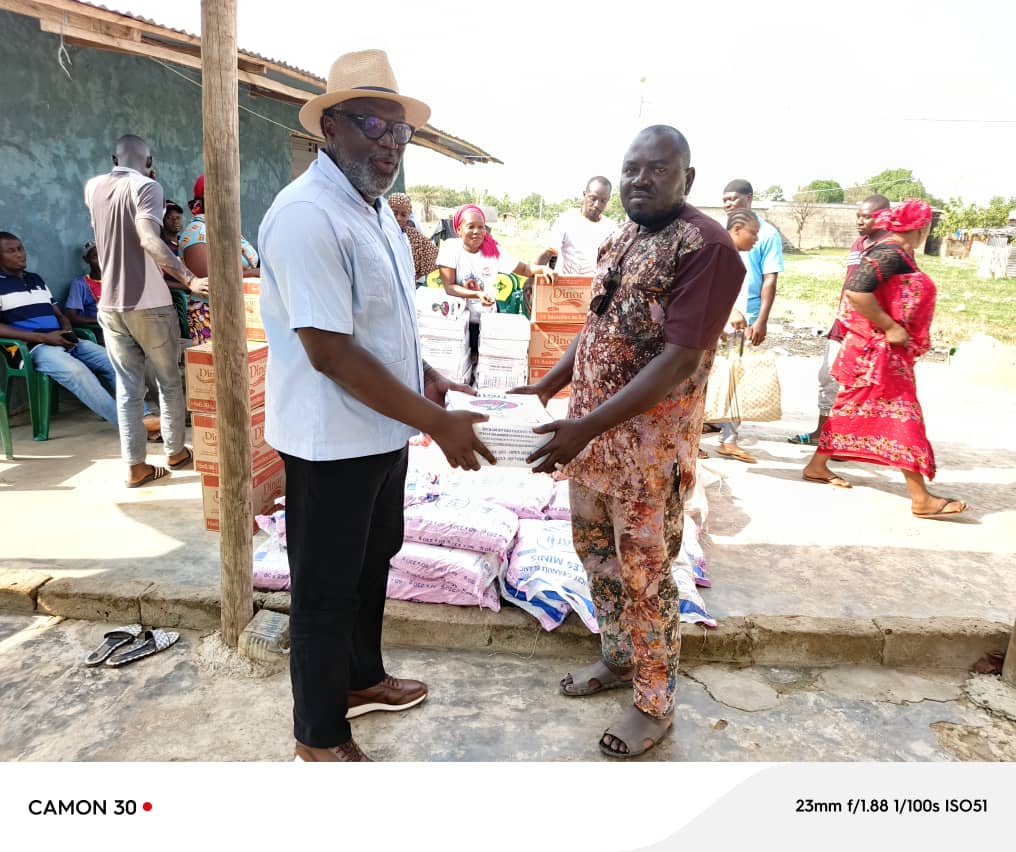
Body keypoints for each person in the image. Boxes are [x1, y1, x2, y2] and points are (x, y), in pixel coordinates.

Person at [258, 49, 495, 762]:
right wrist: (438, 425)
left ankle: (360, 680)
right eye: (371, 125)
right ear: (330, 126)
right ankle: (319, 736)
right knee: (325, 591)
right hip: (329, 442)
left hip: (382, 433)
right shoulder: (306, 216)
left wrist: (427, 378)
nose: (389, 145)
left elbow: (381, 323)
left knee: (371, 565)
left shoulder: (376, 212)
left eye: (400, 132)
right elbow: (330, 352)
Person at [512, 125, 744, 758]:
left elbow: (677, 361)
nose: (639, 180)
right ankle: (617, 659)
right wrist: (546, 387)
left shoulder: (707, 248)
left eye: (657, 169)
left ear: (687, 178)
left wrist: (582, 425)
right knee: (596, 558)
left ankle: (654, 703)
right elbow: (595, 328)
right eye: (631, 168)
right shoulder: (622, 234)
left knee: (645, 577)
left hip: (646, 454)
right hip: (590, 446)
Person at [802, 199, 966, 520]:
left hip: (873, 355)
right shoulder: (889, 253)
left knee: (850, 409)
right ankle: (921, 498)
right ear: (922, 229)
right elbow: (856, 290)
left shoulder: (896, 252)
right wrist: (890, 326)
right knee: (904, 416)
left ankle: (817, 466)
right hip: (876, 356)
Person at [85, 134, 207, 487]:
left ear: (113, 157)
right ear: (150, 161)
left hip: (109, 305)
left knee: (128, 390)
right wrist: (188, 278)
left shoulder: (93, 187)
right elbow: (148, 238)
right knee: (169, 383)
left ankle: (135, 466)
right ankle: (175, 452)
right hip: (150, 303)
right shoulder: (147, 187)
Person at [788, 195, 890, 445]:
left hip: (868, 329)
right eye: (858, 215)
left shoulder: (890, 248)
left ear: (883, 216)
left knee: (856, 385)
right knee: (828, 376)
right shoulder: (859, 244)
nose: (860, 221)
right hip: (843, 322)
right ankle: (823, 433)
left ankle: (845, 439)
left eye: (867, 216)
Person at [0, 231, 117, 426]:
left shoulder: (35, 279)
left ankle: (145, 415)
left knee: (115, 363)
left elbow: (58, 312)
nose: (19, 254)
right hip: (33, 348)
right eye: (11, 251)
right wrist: (44, 338)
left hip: (63, 339)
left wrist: (66, 327)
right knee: (77, 372)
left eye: (20, 249)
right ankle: (131, 425)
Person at [437, 204, 555, 354]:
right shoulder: (450, 249)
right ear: (459, 229)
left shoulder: (493, 250)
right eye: (471, 226)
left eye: (481, 227)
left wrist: (543, 269)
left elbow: (524, 269)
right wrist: (477, 294)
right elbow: (450, 287)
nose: (477, 232)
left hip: (487, 319)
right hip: (460, 322)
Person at [706, 209, 760, 462]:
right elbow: (706, 290)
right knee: (701, 385)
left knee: (733, 382)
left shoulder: (739, 255)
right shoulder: (719, 251)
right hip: (714, 330)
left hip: (730, 329)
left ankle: (729, 439)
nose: (756, 239)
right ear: (737, 230)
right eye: (753, 233)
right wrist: (730, 312)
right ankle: (691, 439)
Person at [179, 175, 260, 344]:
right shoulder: (197, 232)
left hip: (241, 312)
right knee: (220, 368)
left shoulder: (225, 228)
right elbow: (210, 281)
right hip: (213, 317)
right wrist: (254, 273)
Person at [721, 179, 783, 345]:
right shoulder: (718, 233)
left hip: (748, 317)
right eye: (724, 200)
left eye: (732, 199)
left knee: (741, 365)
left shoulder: (768, 234)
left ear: (749, 198)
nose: (727, 204)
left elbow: (770, 279)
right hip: (720, 314)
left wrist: (761, 320)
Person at [535, 176, 616, 274]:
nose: (597, 205)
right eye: (593, 198)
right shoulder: (566, 221)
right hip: (565, 287)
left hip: (595, 287)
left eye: (603, 201)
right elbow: (548, 253)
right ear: (584, 195)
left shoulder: (612, 228)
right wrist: (530, 278)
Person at [386, 192, 437, 282]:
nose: (398, 218)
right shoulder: (380, 233)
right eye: (394, 213)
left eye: (403, 215)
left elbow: (435, 255)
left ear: (409, 216)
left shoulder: (413, 235)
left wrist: (416, 276)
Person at [161, 201, 191, 342]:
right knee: (181, 297)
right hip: (174, 293)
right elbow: (159, 281)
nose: (175, 221)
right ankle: (187, 341)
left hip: (191, 287)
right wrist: (186, 286)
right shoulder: (160, 246)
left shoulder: (185, 242)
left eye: (178, 217)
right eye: (169, 217)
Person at [63, 241, 102, 328]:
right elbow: (71, 316)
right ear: (86, 260)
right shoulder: (80, 284)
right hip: (101, 330)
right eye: (95, 257)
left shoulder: (118, 281)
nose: (101, 261)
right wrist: (101, 321)